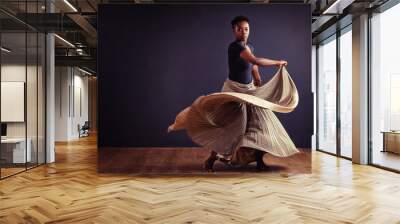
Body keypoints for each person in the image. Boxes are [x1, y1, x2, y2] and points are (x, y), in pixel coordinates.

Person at [204, 15, 289, 171]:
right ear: (234, 30)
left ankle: (259, 160)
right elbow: (255, 60)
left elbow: (253, 65)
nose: (243, 32)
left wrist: (256, 76)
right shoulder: (235, 47)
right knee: (232, 126)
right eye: (240, 29)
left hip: (249, 90)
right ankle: (210, 159)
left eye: (246, 29)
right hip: (233, 90)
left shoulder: (250, 46)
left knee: (261, 124)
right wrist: (277, 62)